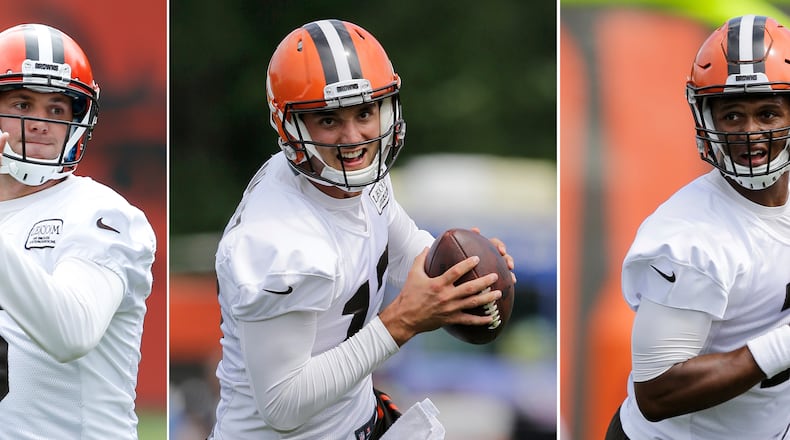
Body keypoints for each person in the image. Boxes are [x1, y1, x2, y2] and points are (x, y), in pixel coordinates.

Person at [208, 19, 515, 440]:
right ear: (290, 127)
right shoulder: (278, 243)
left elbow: (410, 254)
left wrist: (462, 273)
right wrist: (401, 322)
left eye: (365, 112)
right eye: (329, 121)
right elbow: (283, 404)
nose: (353, 138)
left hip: (359, 422)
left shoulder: (362, 177)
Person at [605, 15, 790, 440]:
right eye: (732, 116)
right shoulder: (689, 239)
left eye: (766, 113)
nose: (750, 134)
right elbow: (657, 393)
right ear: (707, 120)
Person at [0, 23, 156, 438]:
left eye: (57, 109)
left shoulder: (100, 212)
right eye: (22, 104)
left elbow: (71, 330)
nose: (40, 123)